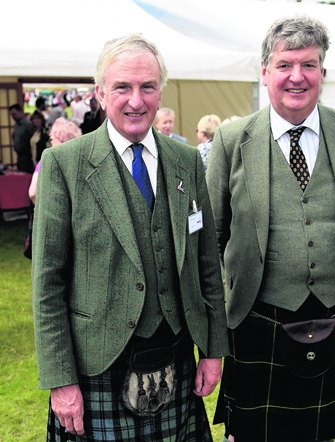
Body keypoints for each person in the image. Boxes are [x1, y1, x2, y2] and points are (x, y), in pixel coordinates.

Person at [32, 33, 229, 442]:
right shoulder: (64, 165)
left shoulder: (187, 161)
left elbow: (207, 262)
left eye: (147, 87)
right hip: (97, 368)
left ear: (160, 92)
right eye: (122, 87)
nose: (136, 100)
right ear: (101, 93)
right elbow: (48, 283)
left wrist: (213, 348)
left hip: (176, 356)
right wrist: (60, 380)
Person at [207, 16, 335, 442]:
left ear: (323, 73)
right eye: (285, 64)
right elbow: (212, 238)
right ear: (264, 71)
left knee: (323, 430)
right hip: (258, 316)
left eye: (308, 65)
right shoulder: (232, 140)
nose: (297, 77)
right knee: (253, 433)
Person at [29, 117, 81, 204]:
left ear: (61, 139)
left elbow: (33, 193)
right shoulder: (81, 160)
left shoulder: (46, 161)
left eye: (52, 138)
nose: (51, 142)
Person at [8, 103, 35, 173]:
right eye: (11, 115)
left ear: (20, 112)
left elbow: (32, 139)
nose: (13, 117)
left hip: (26, 155)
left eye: (14, 114)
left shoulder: (27, 124)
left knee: (25, 174)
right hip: (19, 154)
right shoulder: (16, 124)